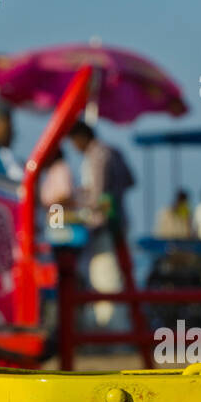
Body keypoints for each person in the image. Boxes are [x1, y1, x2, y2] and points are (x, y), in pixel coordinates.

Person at [65, 121, 136, 328]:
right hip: (119, 221)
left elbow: (96, 197)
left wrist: (71, 201)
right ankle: (119, 328)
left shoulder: (96, 156)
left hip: (102, 225)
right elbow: (131, 181)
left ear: (80, 137)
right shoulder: (114, 151)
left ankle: (111, 329)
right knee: (116, 275)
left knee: (104, 277)